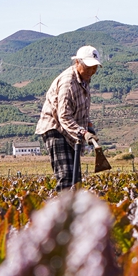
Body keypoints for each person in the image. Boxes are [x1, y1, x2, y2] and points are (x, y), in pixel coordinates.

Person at [35, 45, 102, 191]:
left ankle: (74, 208)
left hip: (71, 131)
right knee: (66, 176)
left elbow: (81, 111)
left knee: (75, 179)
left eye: (94, 67)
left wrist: (89, 127)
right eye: (88, 66)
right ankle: (63, 211)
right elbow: (64, 116)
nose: (92, 71)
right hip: (56, 129)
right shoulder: (68, 83)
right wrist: (83, 133)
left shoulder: (84, 80)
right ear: (77, 62)